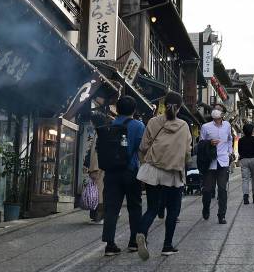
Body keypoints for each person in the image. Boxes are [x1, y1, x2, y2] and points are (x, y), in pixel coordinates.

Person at [135, 91, 192, 259]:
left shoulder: (153, 122)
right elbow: (187, 152)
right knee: (173, 211)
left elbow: (143, 146)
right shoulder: (184, 126)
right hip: (173, 174)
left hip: (153, 171)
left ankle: (142, 232)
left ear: (163, 105)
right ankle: (167, 245)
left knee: (152, 208)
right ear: (180, 107)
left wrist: (146, 160)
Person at [96, 96, 145, 256]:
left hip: (111, 172)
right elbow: (142, 149)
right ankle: (133, 242)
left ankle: (110, 244)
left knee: (112, 208)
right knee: (135, 207)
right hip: (131, 171)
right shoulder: (138, 126)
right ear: (134, 110)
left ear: (117, 109)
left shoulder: (109, 125)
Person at [200, 103, 233, 224]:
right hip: (210, 162)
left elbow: (229, 139)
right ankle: (206, 208)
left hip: (223, 161)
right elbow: (201, 144)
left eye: (218, 110)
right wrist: (209, 143)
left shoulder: (227, 126)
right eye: (215, 109)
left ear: (222, 113)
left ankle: (221, 215)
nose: (216, 111)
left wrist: (230, 152)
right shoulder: (205, 126)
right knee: (207, 189)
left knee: (223, 189)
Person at [238, 123, 254, 204]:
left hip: (244, 160)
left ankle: (246, 198)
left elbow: (239, 151)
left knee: (245, 179)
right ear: (252, 131)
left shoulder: (241, 140)